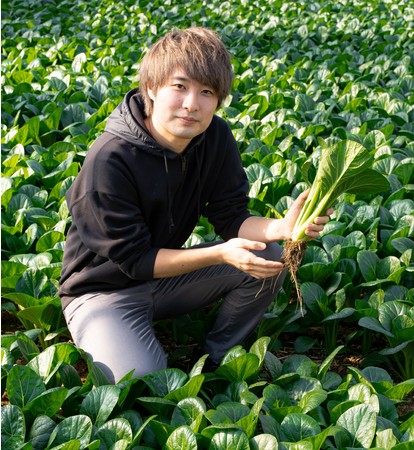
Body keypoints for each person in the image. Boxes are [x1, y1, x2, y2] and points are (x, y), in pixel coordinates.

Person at [59, 27, 332, 383]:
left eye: (207, 92)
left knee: (268, 256)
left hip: (165, 280)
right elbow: (136, 260)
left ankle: (219, 361)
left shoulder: (214, 137)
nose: (192, 104)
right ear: (151, 88)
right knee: (141, 381)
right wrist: (219, 254)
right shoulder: (110, 160)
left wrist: (283, 227)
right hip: (102, 292)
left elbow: (231, 216)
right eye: (180, 86)